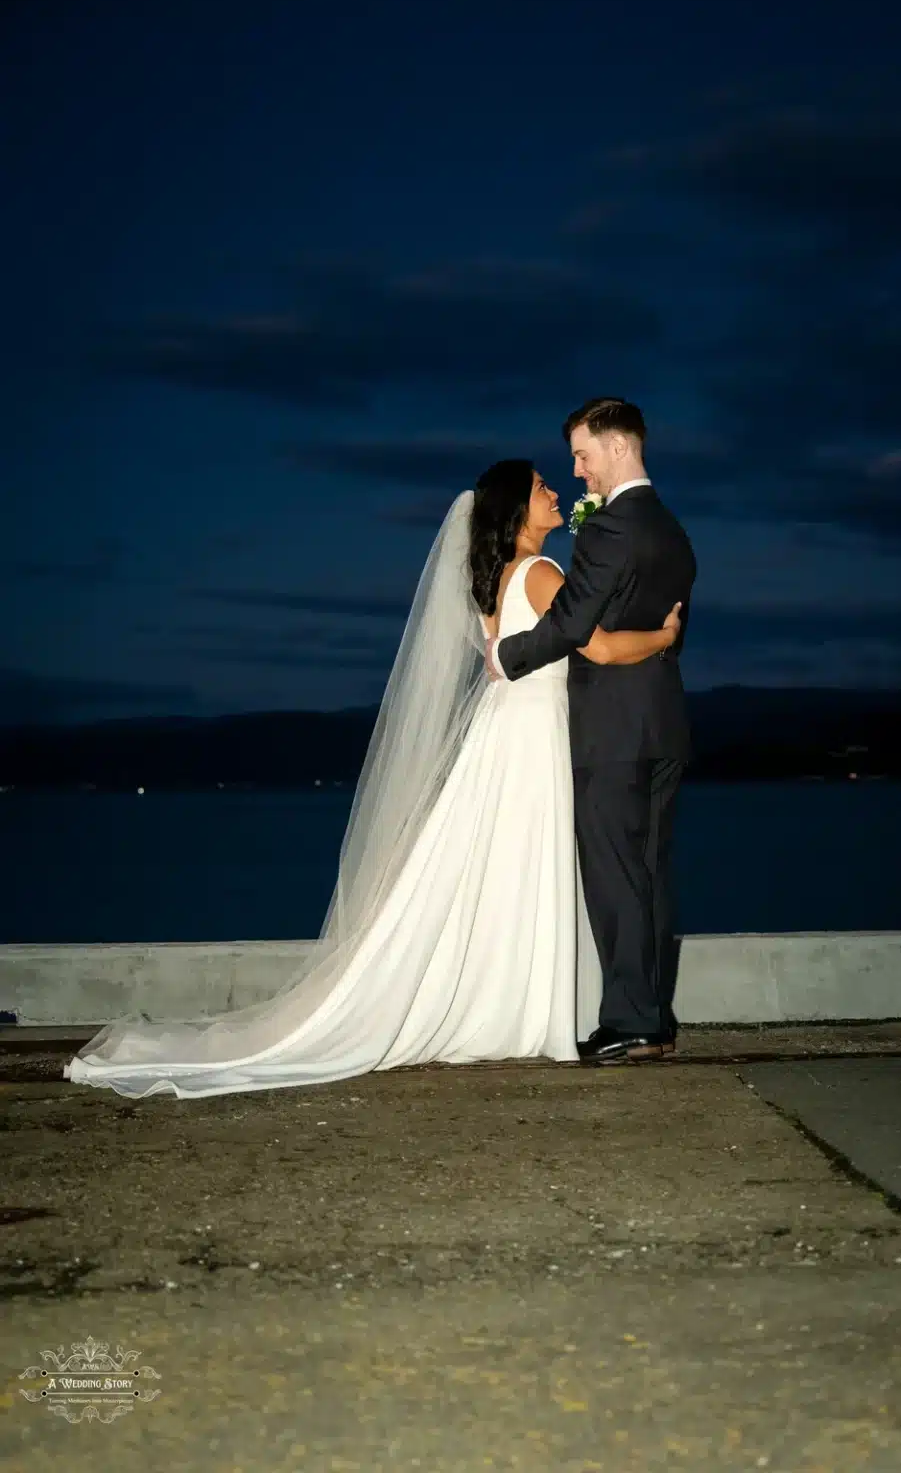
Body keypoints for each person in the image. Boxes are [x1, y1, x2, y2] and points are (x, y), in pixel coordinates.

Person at [63, 456, 680, 1098]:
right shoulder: (543, 574)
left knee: (495, 867)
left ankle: (507, 1003)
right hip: (534, 737)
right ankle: (523, 1006)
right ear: (517, 510)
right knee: (527, 862)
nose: (555, 491)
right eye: (541, 487)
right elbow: (601, 647)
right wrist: (663, 635)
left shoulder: (494, 581)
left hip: (502, 735)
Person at [487, 398, 697, 1065]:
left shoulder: (610, 528)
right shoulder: (671, 527)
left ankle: (631, 1021)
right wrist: (662, 639)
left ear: (614, 447)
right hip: (663, 720)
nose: (577, 471)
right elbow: (663, 624)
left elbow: (576, 624)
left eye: (581, 455)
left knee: (614, 873)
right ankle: (655, 1018)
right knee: (651, 873)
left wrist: (507, 657)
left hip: (612, 729)